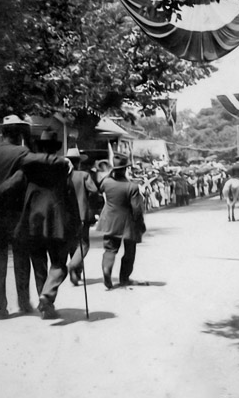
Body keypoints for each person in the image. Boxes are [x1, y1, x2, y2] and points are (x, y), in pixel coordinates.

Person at [0, 116, 70, 320]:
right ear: (19, 134)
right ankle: (23, 302)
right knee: (21, 258)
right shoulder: (21, 153)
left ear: (1, 133)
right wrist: (63, 161)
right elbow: (43, 161)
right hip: (16, 214)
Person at [15, 129, 80, 319]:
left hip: (33, 220)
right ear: (55, 148)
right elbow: (70, 195)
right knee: (59, 263)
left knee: (39, 263)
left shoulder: (30, 166)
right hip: (56, 222)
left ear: (41, 146)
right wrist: (76, 222)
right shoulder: (62, 167)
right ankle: (47, 297)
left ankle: (45, 304)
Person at [96, 153, 146, 290]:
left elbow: (99, 190)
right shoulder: (132, 187)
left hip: (110, 220)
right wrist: (140, 224)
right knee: (130, 252)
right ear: (125, 169)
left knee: (110, 249)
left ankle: (107, 269)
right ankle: (124, 278)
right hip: (127, 223)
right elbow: (136, 209)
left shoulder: (106, 182)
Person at [65, 147, 98, 286]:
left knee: (73, 244)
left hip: (67, 215)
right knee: (84, 244)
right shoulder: (84, 175)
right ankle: (72, 266)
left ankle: (77, 273)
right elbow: (94, 190)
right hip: (82, 214)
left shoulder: (64, 176)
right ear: (78, 162)